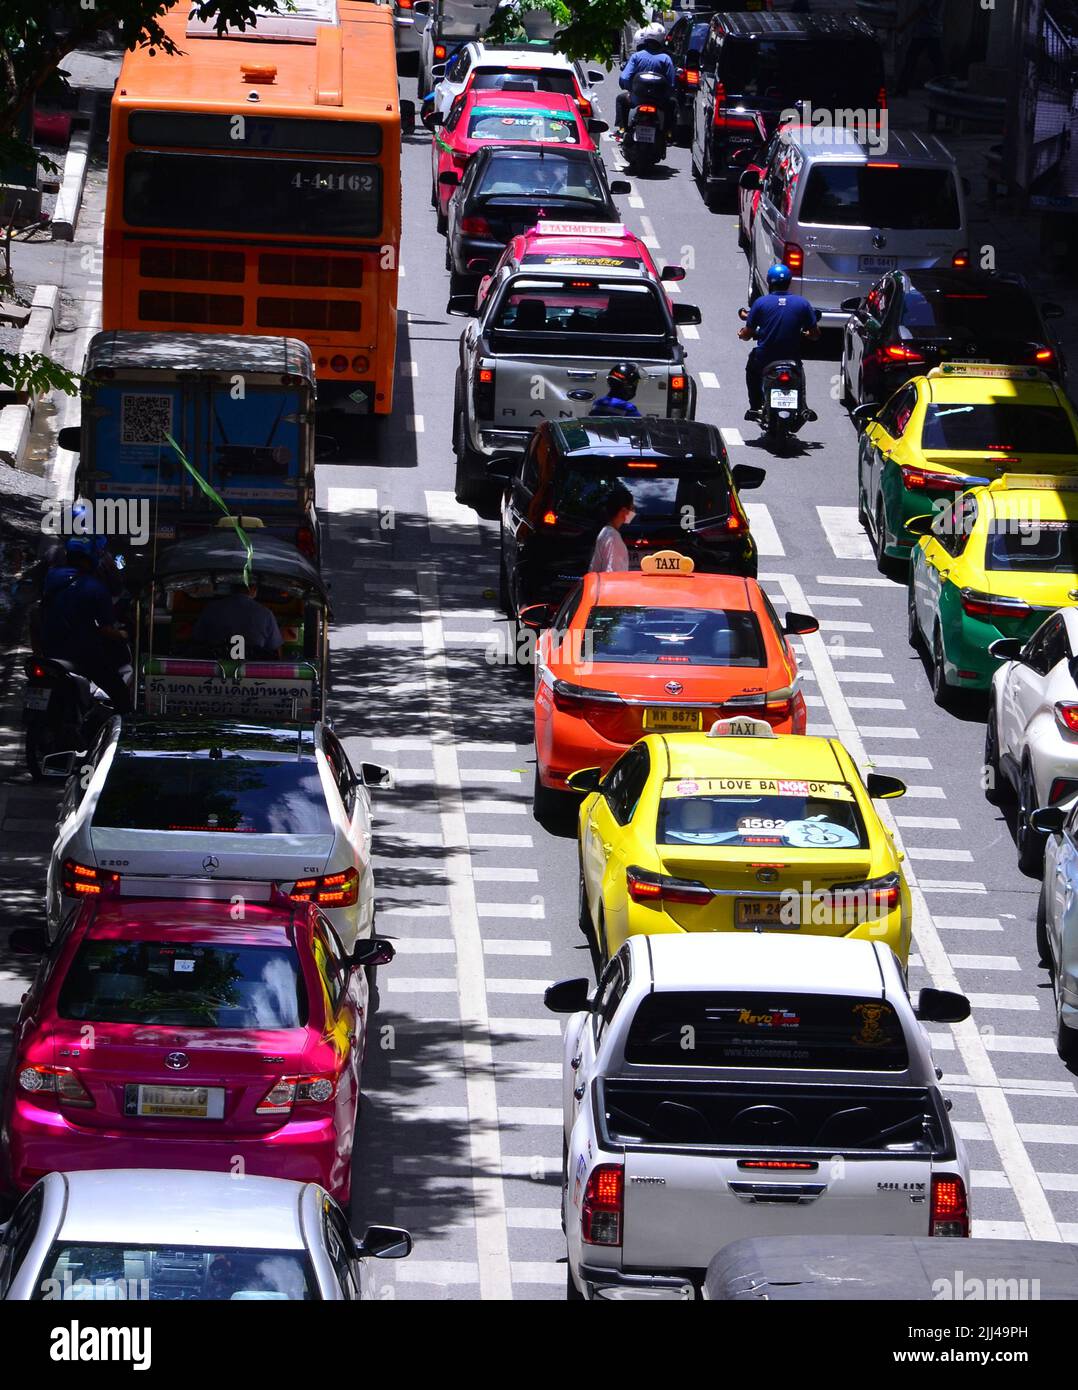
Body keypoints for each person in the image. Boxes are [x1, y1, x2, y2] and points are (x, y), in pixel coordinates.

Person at [39, 536, 132, 712]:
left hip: (49, 651)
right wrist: (123, 635)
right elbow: (106, 629)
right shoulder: (95, 588)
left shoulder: (52, 577)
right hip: (81, 654)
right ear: (91, 558)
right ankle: (121, 728)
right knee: (119, 693)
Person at [738, 262, 820, 420]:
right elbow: (816, 335)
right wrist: (806, 333)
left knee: (752, 369)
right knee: (800, 373)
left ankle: (755, 406)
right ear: (789, 283)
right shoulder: (802, 303)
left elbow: (747, 334)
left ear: (769, 283)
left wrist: (742, 335)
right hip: (792, 358)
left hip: (764, 358)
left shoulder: (760, 303)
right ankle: (803, 406)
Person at [190, 579, 283, 659]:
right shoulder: (265, 613)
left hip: (215, 663)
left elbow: (197, 637)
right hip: (252, 668)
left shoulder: (211, 608)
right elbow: (274, 647)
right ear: (254, 589)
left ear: (232, 588)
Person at [616, 23, 677, 138]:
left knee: (620, 99)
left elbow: (624, 78)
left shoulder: (637, 57)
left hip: (637, 99)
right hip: (660, 101)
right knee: (673, 104)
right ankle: (668, 132)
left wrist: (630, 90)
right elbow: (672, 83)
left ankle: (622, 129)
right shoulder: (666, 59)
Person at [895, 1, 945, 95]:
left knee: (911, 60)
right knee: (937, 63)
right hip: (930, 31)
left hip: (926, 31)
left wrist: (904, 24)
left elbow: (922, 9)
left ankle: (902, 90)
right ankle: (944, 90)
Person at [588, 485, 636, 572]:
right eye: (632, 507)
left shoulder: (606, 532)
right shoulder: (613, 539)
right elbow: (613, 574)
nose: (634, 511)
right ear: (624, 511)